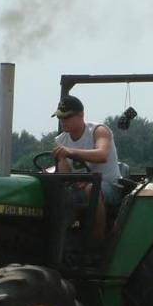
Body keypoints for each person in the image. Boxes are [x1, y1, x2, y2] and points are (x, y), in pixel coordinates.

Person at [51, 95, 123, 243]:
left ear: (81, 115)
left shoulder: (98, 131)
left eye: (67, 117)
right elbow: (65, 175)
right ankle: (60, 238)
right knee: (56, 191)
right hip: (79, 186)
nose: (63, 121)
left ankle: (97, 239)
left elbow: (102, 154)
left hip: (109, 186)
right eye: (60, 117)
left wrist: (70, 152)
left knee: (91, 189)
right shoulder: (60, 140)